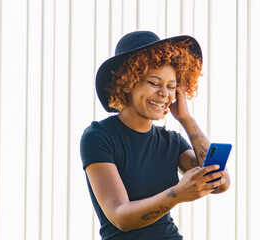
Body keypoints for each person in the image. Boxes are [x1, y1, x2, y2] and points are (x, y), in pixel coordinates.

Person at [80, 31, 230, 240]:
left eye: (171, 86)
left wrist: (186, 119)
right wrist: (176, 194)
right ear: (127, 82)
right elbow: (120, 217)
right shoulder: (98, 137)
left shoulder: (172, 141)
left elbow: (220, 184)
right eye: (154, 83)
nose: (164, 94)